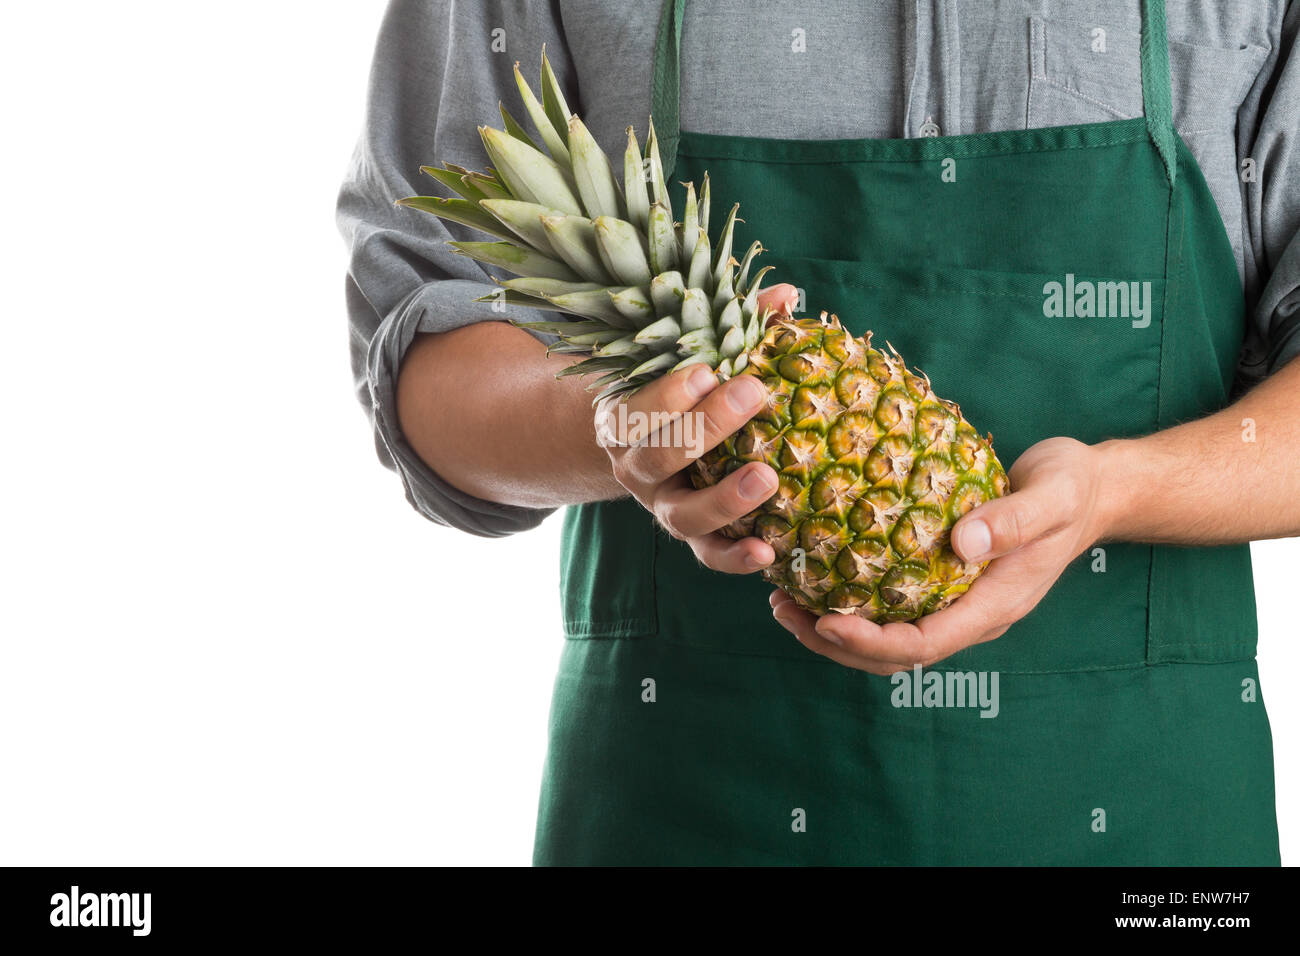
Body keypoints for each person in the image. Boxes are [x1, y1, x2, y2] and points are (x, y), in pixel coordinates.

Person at [337, 0, 1299, 864]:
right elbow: (425, 356)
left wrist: (1117, 491)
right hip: (683, 804)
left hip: (1146, 815)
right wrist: (631, 429)